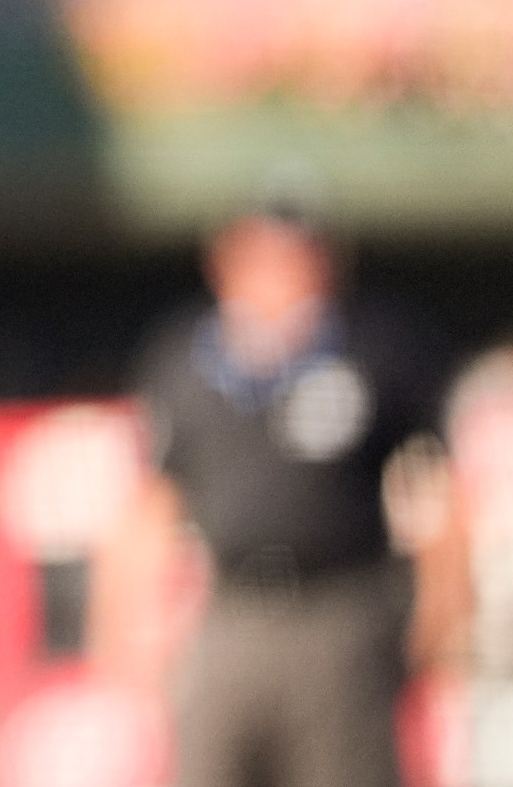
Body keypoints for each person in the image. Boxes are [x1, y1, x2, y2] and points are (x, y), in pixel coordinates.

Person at [100, 207, 467, 787]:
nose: (277, 275)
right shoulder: (187, 362)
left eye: (294, 256)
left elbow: (434, 484)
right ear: (225, 266)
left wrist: (445, 601)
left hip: (338, 610)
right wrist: (123, 622)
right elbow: (154, 500)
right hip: (231, 613)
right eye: (259, 258)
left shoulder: (375, 351)